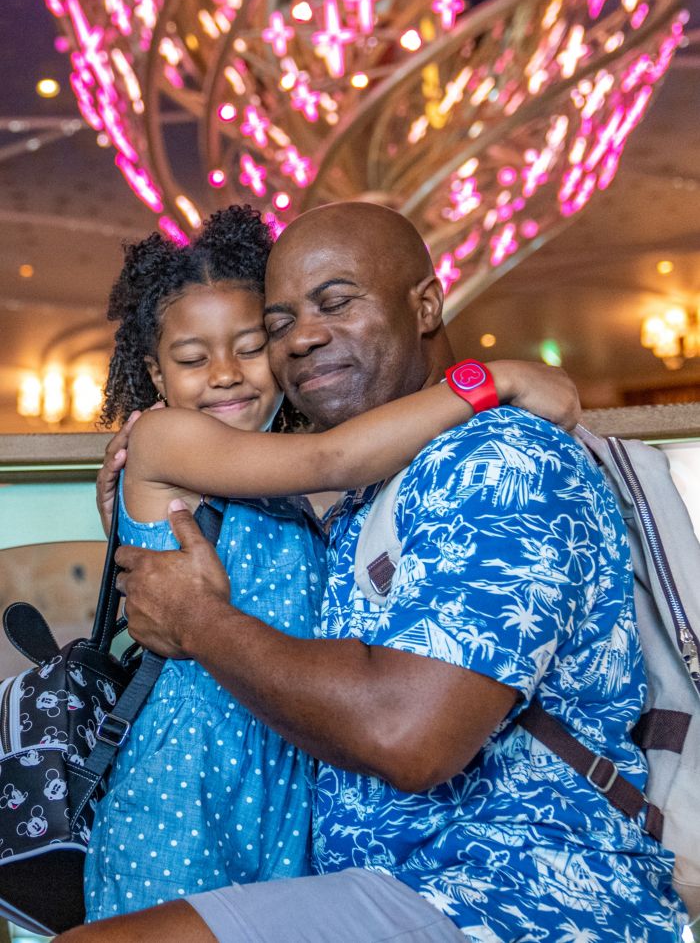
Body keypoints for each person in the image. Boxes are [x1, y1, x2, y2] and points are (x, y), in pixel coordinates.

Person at [59, 202, 685, 942]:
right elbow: (330, 463)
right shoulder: (352, 493)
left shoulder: (497, 461)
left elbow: (407, 735)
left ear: (425, 303)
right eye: (284, 321)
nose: (304, 338)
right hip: (227, 794)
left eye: (336, 302)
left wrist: (489, 380)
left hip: (498, 892)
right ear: (156, 370)